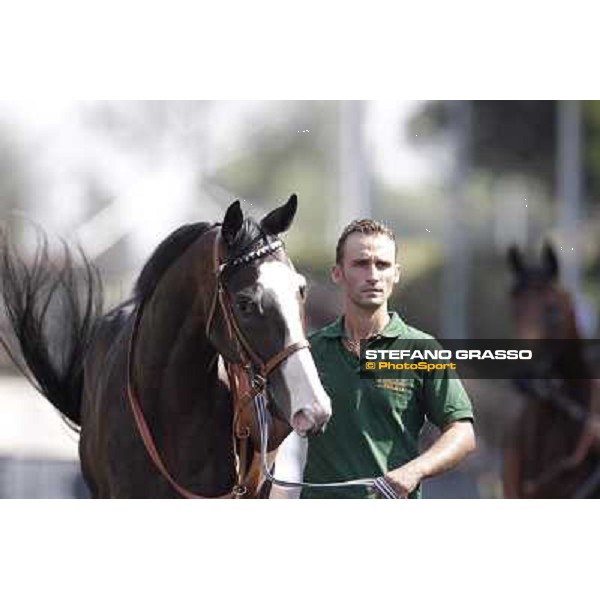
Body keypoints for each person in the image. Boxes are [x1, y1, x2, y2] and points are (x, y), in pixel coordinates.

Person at [270, 219, 476, 499]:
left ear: (397, 273)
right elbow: (265, 425)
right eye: (360, 264)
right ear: (337, 273)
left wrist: (414, 471)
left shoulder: (422, 349)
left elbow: (462, 432)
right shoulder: (309, 352)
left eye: (382, 265)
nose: (373, 275)